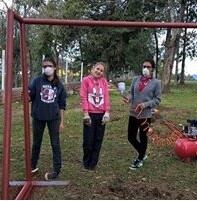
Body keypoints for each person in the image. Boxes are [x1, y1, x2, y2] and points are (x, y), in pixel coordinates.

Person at [29, 56, 67, 180]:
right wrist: (26, 95)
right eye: (44, 66)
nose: (47, 68)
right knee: (36, 143)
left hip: (54, 118)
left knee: (55, 144)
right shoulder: (37, 81)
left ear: (55, 67)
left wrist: (62, 122)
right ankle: (32, 166)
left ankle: (57, 170)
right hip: (38, 117)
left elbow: (62, 105)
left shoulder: (59, 85)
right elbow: (30, 96)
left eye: (49, 66)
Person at [124, 58, 161, 170]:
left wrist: (145, 105)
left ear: (152, 69)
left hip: (145, 115)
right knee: (131, 137)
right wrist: (128, 99)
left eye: (148, 67)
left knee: (143, 136)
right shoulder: (136, 79)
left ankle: (140, 158)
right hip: (133, 112)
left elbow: (157, 100)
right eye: (144, 66)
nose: (145, 69)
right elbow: (131, 93)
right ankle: (143, 153)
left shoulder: (156, 83)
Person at [80, 62, 110, 171]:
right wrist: (86, 113)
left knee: (98, 139)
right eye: (97, 69)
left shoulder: (104, 82)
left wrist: (107, 112)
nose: (99, 72)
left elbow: (106, 96)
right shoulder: (86, 80)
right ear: (93, 68)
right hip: (90, 115)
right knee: (88, 140)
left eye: (101, 71)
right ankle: (86, 161)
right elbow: (83, 97)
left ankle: (93, 163)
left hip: (101, 115)